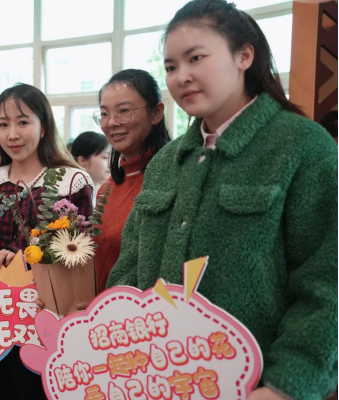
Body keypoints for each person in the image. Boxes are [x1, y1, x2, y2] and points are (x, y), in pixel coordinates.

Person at [108, 1, 338, 399]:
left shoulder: (303, 147)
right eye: (171, 67)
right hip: (156, 380)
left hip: (255, 386)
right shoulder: (165, 162)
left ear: (244, 55)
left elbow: (327, 283)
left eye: (196, 58)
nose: (182, 76)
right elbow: (128, 268)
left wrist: (286, 386)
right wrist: (106, 332)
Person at [0, 83, 93, 399]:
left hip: (51, 319)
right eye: (3, 124)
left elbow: (79, 254)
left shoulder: (71, 180)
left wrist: (21, 258)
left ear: (43, 128)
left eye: (23, 122)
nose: (12, 134)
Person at [93, 70, 171, 293]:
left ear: (156, 113)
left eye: (124, 111)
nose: (111, 123)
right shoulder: (107, 188)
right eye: (104, 114)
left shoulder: (171, 180)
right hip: (102, 309)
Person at [70, 131, 111, 205]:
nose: (110, 164)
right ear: (82, 161)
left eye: (112, 158)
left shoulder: (109, 193)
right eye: (106, 157)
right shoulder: (70, 197)